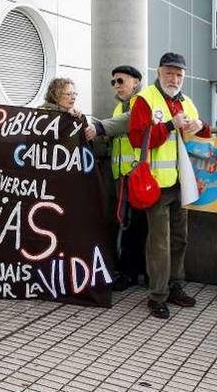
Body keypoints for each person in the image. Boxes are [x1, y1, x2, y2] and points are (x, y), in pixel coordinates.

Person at [128, 52, 211, 319]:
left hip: (182, 182)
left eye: (179, 75)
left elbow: (201, 136)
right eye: (169, 73)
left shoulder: (186, 101)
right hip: (157, 184)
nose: (174, 79)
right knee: (160, 244)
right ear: (159, 72)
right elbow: (137, 138)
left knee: (179, 239)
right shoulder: (145, 99)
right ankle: (157, 295)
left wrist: (202, 126)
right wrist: (168, 125)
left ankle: (175, 286)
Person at [86, 65, 148, 291]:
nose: (116, 86)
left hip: (137, 176)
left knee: (134, 226)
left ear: (136, 82)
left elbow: (128, 121)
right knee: (127, 224)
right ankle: (130, 270)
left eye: (121, 81)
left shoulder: (142, 102)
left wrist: (99, 128)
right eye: (114, 82)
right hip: (121, 176)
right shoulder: (118, 107)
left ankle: (131, 272)